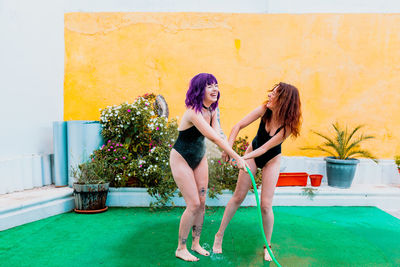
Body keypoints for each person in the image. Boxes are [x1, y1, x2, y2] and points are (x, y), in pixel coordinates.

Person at [212, 82, 302, 261]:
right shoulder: (264, 109)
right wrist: (228, 149)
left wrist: (240, 159)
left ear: (283, 100)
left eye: (274, 94)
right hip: (253, 153)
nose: (269, 95)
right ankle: (219, 235)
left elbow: (265, 149)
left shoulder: (288, 127)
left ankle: (267, 245)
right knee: (238, 197)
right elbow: (237, 126)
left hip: (271, 160)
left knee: (266, 205)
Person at [170, 73, 249, 262]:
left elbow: (218, 132)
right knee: (194, 204)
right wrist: (238, 157)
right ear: (199, 90)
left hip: (199, 158)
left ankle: (195, 243)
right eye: (209, 86)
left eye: (216, 85)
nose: (215, 89)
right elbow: (212, 136)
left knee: (202, 202)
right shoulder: (193, 112)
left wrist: (228, 151)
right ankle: (181, 248)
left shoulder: (212, 110)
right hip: (181, 158)